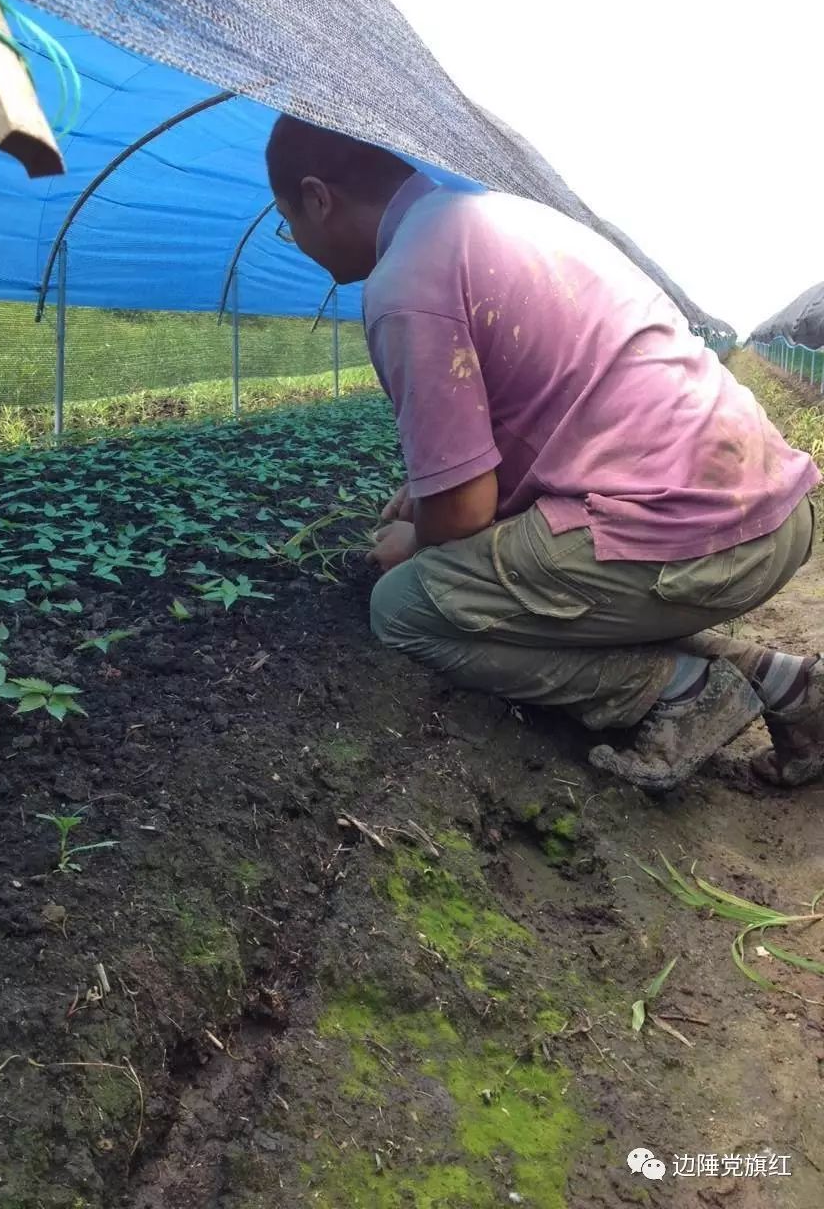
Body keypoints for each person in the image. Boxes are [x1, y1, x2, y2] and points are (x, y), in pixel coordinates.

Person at [264, 114, 822, 793]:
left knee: (404, 606)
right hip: (770, 509)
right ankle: (787, 686)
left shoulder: (406, 281)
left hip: (693, 539)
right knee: (531, 586)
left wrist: (415, 540)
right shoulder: (500, 217)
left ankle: (678, 688)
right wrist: (430, 489)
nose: (294, 240)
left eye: (287, 221)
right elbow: (534, 412)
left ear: (318, 198)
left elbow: (466, 513)